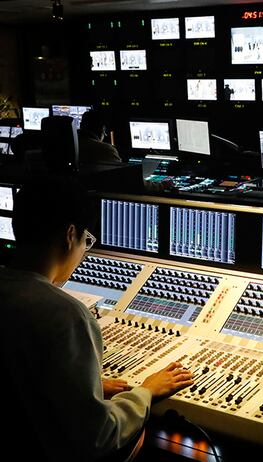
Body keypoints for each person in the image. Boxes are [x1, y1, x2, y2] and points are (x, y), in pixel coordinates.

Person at [0, 177, 194, 461]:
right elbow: (99, 436)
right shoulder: (66, 316)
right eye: (86, 241)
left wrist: (85, 386)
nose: (83, 252)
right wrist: (146, 392)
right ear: (70, 235)